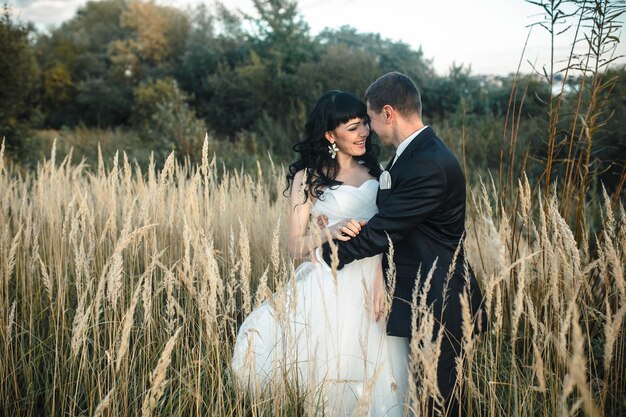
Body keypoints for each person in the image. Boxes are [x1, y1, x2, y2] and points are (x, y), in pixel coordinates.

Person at [231, 90, 411, 416]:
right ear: (330, 135)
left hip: (375, 283)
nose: (364, 133)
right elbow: (294, 246)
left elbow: (394, 232)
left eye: (364, 125)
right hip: (331, 285)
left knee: (381, 373)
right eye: (353, 127)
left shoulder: (379, 171)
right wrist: (328, 231)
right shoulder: (309, 179)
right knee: (332, 371)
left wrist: (384, 275)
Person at [319, 72, 487, 416]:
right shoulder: (413, 153)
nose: (369, 129)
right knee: (424, 400)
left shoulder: (428, 163)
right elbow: (400, 217)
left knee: (439, 405)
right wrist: (368, 223)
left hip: (440, 301)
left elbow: (387, 228)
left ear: (388, 113)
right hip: (420, 295)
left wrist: (333, 251)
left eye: (370, 119)